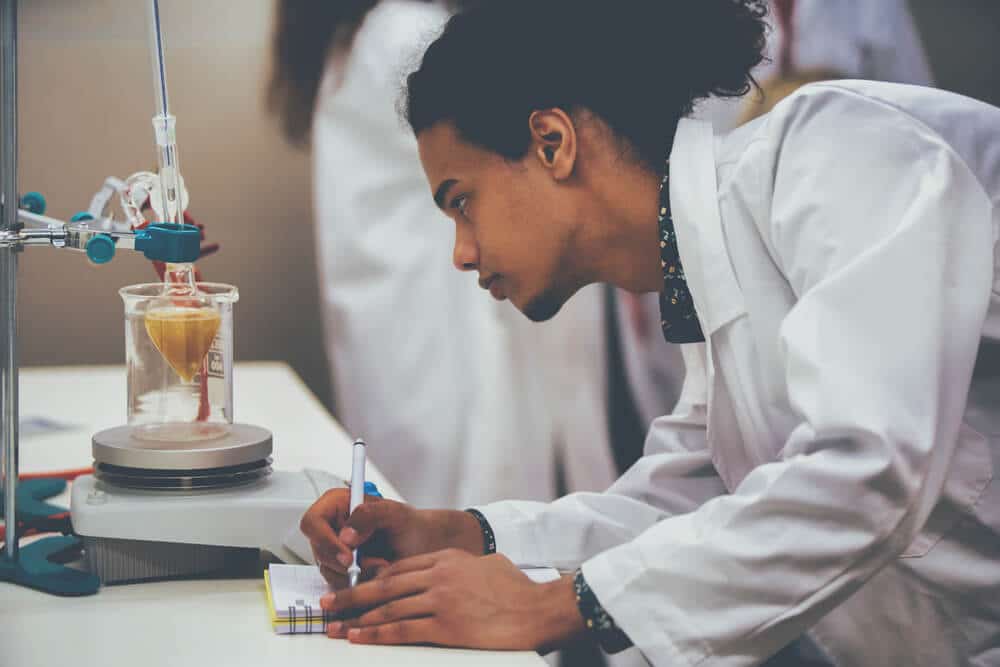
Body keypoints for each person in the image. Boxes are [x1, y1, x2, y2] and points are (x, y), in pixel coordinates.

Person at [300, 0, 1000, 665]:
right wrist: (468, 533)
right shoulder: (711, 274)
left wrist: (553, 605)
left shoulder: (839, 153)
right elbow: (687, 503)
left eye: (462, 202)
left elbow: (870, 468)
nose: (461, 251)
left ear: (552, 143)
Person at [268, 0, 619, 511]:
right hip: (446, 333)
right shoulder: (406, 34)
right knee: (467, 511)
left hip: (404, 334)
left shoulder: (360, 38)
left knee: (424, 511)